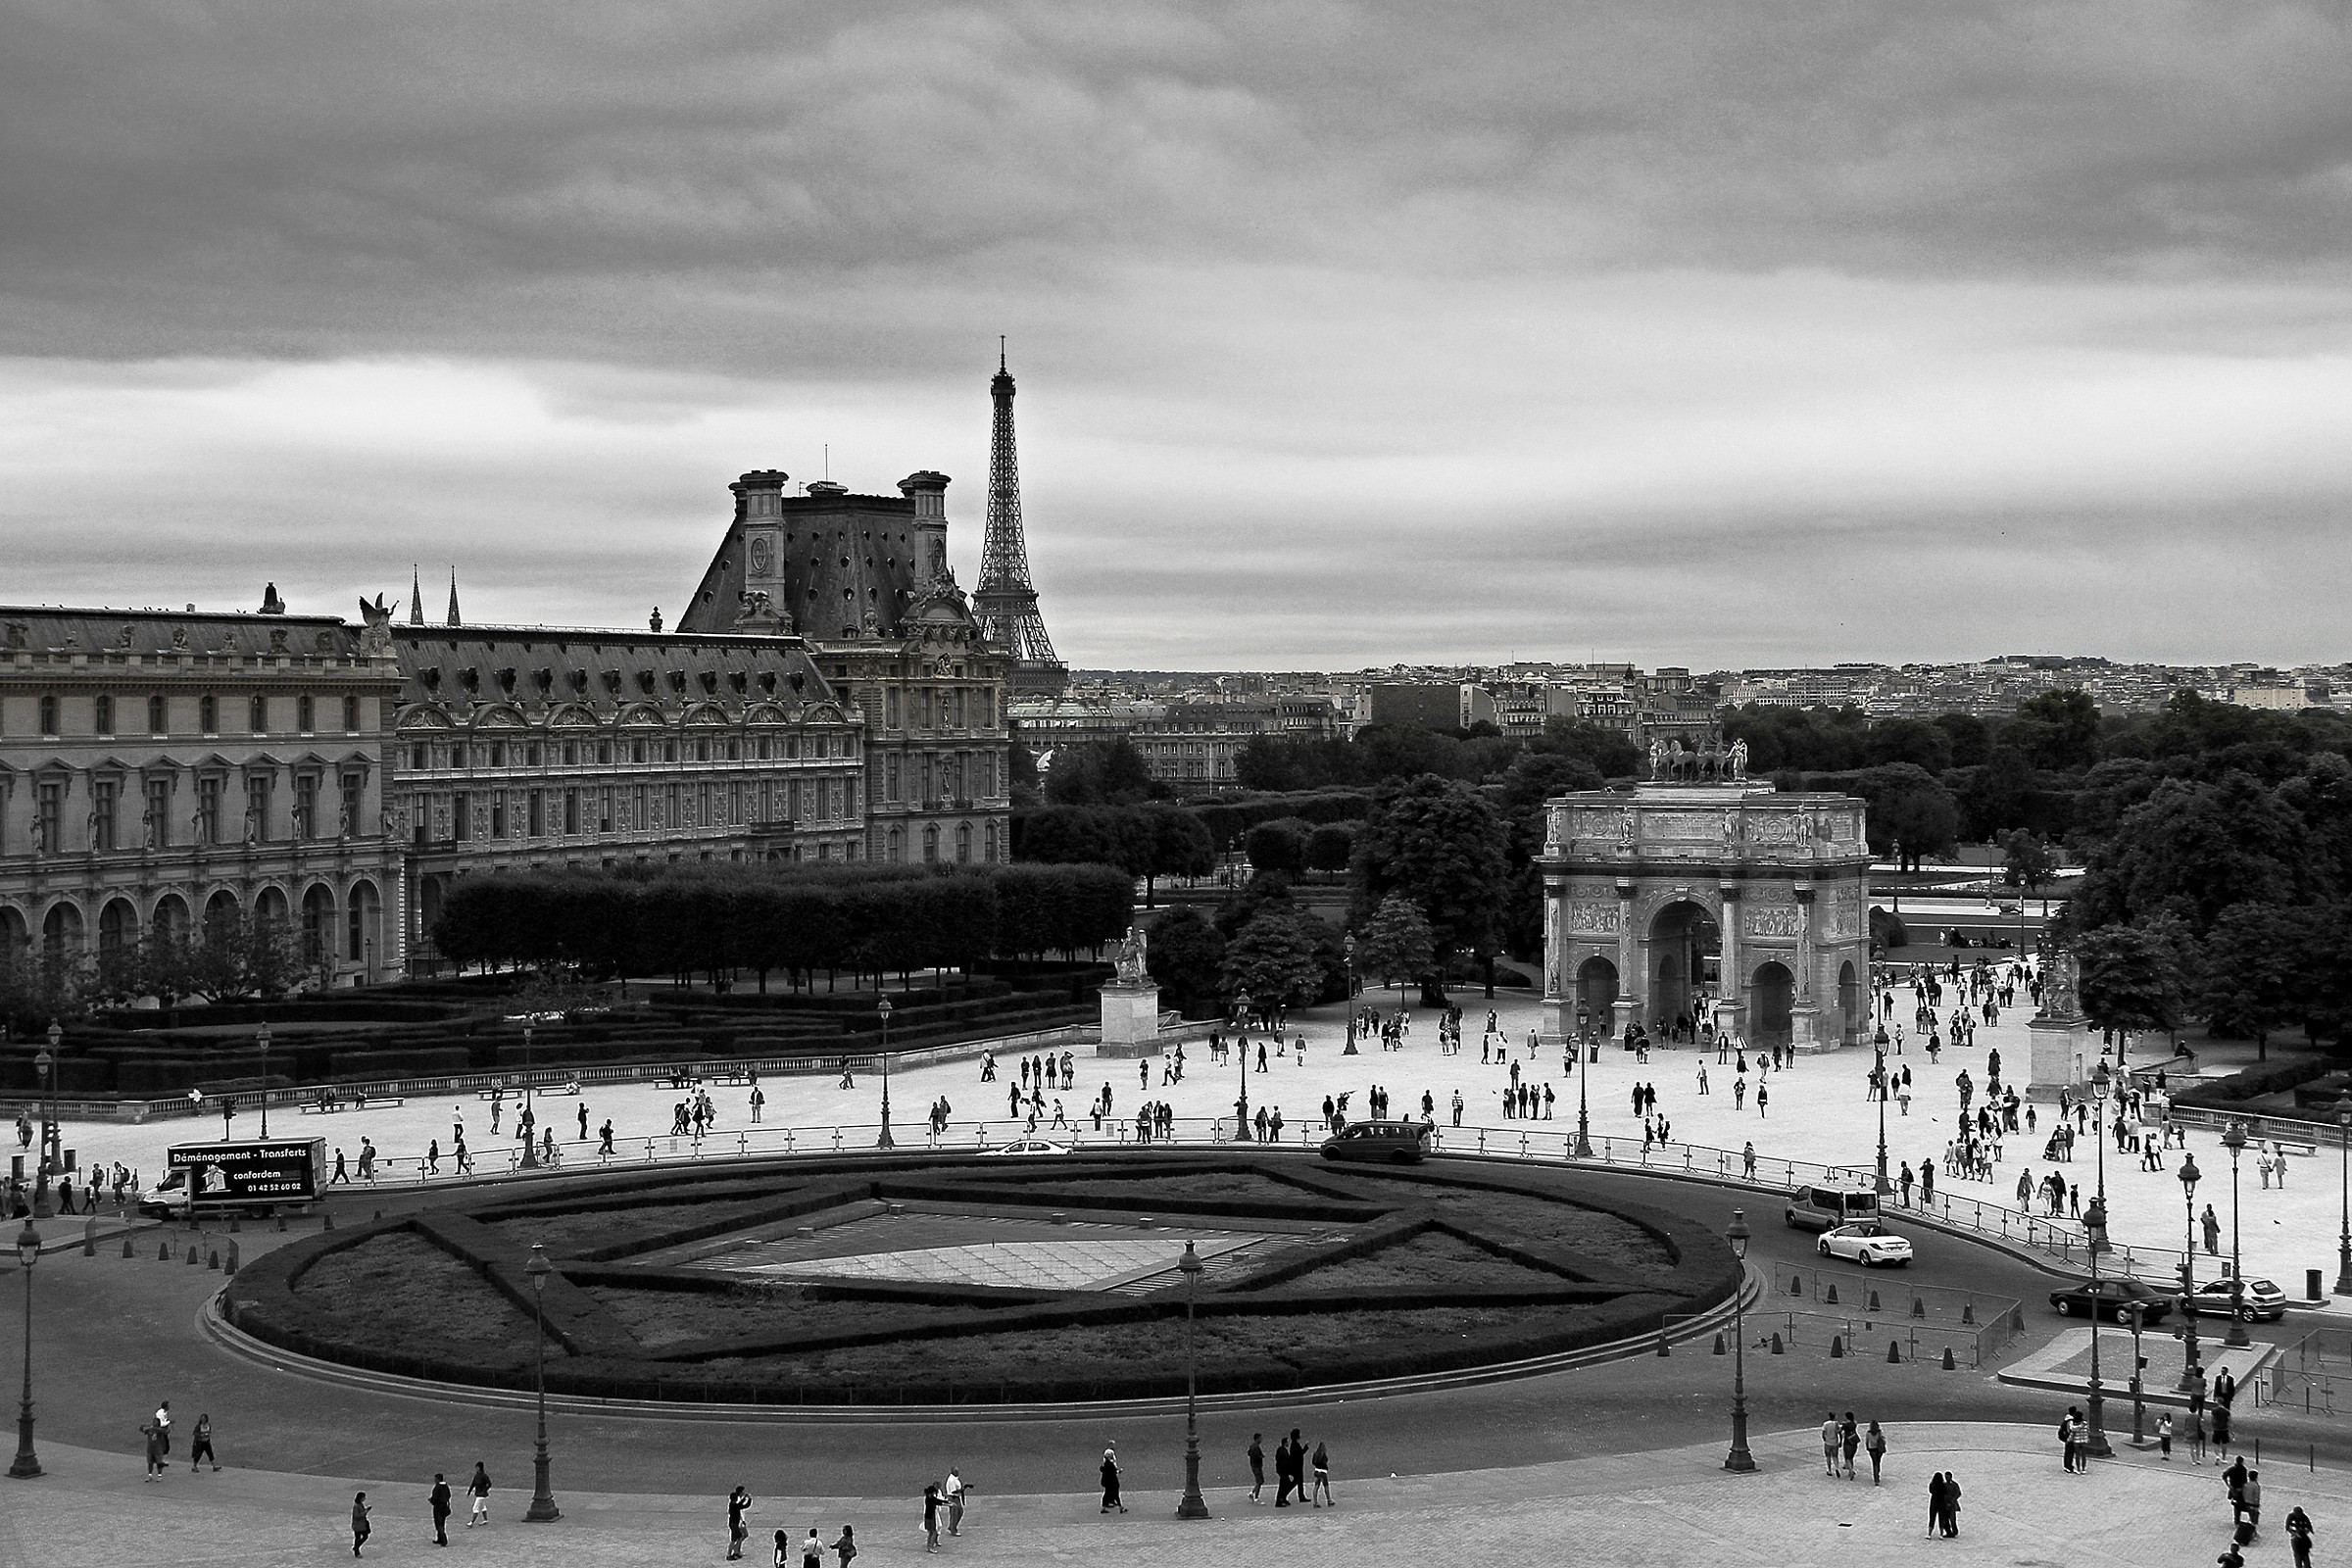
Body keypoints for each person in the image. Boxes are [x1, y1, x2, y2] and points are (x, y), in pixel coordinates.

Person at [729, 1485, 755, 1560]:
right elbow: (742, 1507)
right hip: (738, 1521)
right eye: (743, 1491)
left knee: (741, 1536)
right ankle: (735, 1551)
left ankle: (737, 1551)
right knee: (740, 1536)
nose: (744, 1492)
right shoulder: (736, 1501)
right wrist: (748, 1499)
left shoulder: (736, 1500)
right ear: (740, 1492)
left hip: (738, 1521)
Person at [2286, 1503, 2315, 1568]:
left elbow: (2308, 1527)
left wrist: (2304, 1533)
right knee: (2298, 1556)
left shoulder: (2304, 1517)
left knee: (2305, 1556)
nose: (2299, 1516)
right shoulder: (2290, 1517)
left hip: (2303, 1538)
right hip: (2295, 1538)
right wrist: (2295, 1534)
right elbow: (2288, 1527)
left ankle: (2306, 1566)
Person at [1100, 1445, 1126, 1513]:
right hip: (1113, 1482)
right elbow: (1114, 1471)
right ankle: (1121, 1507)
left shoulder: (1105, 1465)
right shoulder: (1110, 1465)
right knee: (1116, 1495)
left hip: (1107, 1482)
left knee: (1106, 1494)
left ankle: (1103, 1508)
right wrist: (1119, 1471)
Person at [429, 1472, 454, 1546]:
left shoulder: (437, 1487)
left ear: (438, 1479)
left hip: (438, 1508)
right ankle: (440, 1538)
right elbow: (449, 1495)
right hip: (444, 1507)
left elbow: (435, 1498)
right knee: (442, 1523)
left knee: (438, 1524)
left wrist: (431, 1501)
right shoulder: (446, 1486)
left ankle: (443, 1540)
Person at [944, 1465, 967, 1536]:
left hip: (956, 1498)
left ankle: (952, 1526)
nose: (958, 1473)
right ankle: (953, 1530)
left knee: (960, 1512)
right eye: (956, 1471)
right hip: (953, 1498)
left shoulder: (955, 1478)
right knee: (954, 1514)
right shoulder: (951, 1480)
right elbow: (953, 1491)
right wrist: (962, 1490)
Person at [466, 1462, 491, 1527]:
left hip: (482, 1495)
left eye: (477, 1467)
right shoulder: (477, 1475)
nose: (476, 1469)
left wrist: (484, 1491)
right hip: (478, 1494)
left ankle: (472, 1522)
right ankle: (485, 1520)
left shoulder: (484, 1476)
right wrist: (469, 1491)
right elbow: (473, 1483)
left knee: (475, 1507)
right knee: (482, 1507)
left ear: (480, 1468)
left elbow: (489, 1484)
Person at [920, 1484, 942, 1553]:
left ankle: (928, 1546)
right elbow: (938, 1501)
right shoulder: (931, 1499)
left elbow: (937, 1501)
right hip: (931, 1517)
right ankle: (931, 1547)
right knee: (934, 1532)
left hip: (927, 1517)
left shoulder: (927, 1498)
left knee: (930, 1533)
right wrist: (948, 1503)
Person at [1864, 1420, 1886, 1484]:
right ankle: (1877, 1475)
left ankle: (1875, 1477)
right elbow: (1883, 1440)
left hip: (1872, 1449)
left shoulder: (1868, 1433)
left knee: (1874, 1463)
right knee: (1878, 1462)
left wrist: (1867, 1448)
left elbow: (1867, 1441)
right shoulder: (1879, 1432)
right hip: (1879, 1449)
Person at [352, 1492, 373, 1558]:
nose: (365, 1498)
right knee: (359, 1538)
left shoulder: (360, 1504)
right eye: (364, 1497)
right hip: (358, 1525)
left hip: (361, 1524)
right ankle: (356, 1550)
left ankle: (356, 1547)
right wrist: (365, 1512)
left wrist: (366, 1510)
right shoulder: (356, 1506)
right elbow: (356, 1516)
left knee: (364, 1536)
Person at [1248, 1433, 1265, 1503]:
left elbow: (1248, 1453)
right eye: (1260, 1438)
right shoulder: (1256, 1447)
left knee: (1260, 1481)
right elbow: (1257, 1457)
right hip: (1256, 1466)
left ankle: (1252, 1493)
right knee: (1260, 1481)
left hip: (1254, 1466)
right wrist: (1261, 1456)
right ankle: (1256, 1497)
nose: (1261, 1439)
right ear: (1257, 1438)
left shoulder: (1252, 1446)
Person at [1822, 1413, 1840, 1477]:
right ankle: (1837, 1467)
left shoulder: (1825, 1424)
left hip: (1828, 1442)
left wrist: (1825, 1439)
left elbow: (1823, 1433)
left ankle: (1829, 1470)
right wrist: (1840, 1441)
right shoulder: (1836, 1423)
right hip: (1835, 1442)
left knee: (1828, 1456)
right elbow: (1839, 1432)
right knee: (1835, 1456)